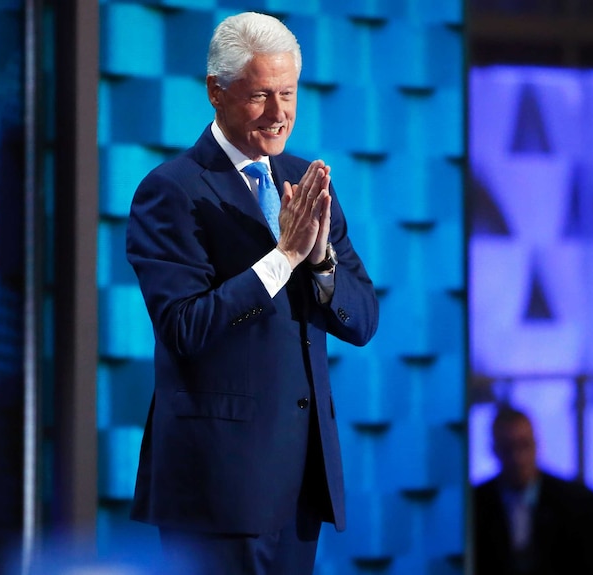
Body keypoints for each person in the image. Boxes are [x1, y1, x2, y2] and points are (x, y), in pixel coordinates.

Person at [125, 11, 379, 575]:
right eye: (261, 95)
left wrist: (319, 260)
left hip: (301, 484)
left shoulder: (307, 182)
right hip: (217, 487)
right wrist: (283, 258)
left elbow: (361, 320)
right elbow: (186, 328)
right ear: (216, 92)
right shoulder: (172, 190)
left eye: (288, 93)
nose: (280, 112)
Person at [473, 406, 593, 575]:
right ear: (494, 450)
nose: (517, 457)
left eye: (523, 445)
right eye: (508, 447)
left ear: (536, 445)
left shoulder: (577, 502)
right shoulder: (475, 504)